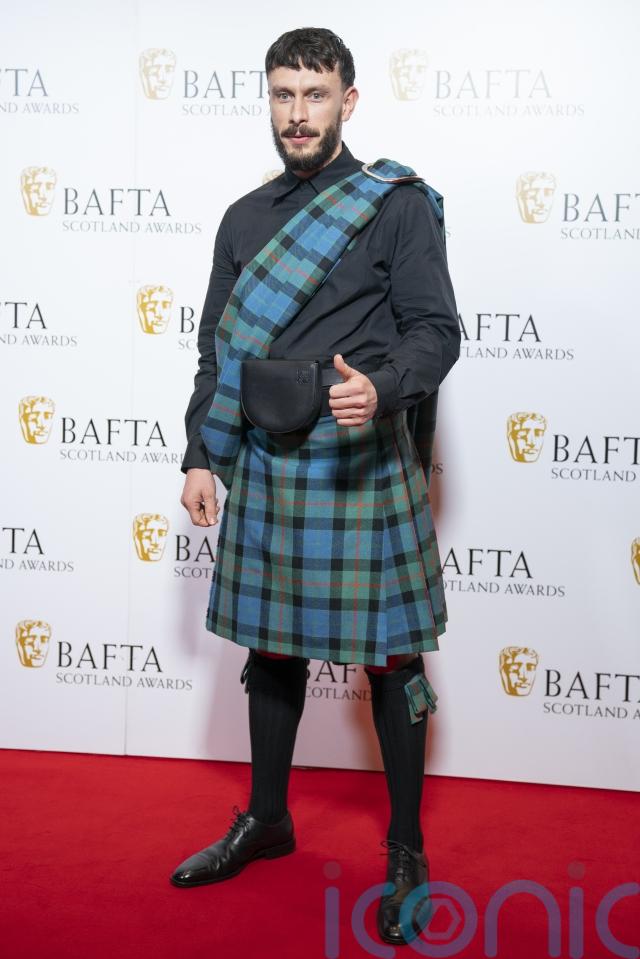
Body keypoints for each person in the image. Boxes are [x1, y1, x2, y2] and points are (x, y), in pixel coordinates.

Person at [170, 26, 460, 946]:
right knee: (271, 647)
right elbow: (216, 350)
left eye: (316, 94)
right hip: (265, 457)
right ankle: (268, 818)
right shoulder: (243, 219)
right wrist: (200, 453)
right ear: (269, 99)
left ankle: (407, 846)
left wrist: (386, 387)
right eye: (284, 94)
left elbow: (437, 330)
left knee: (393, 659)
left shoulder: (394, 207)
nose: (298, 113)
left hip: (361, 457)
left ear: (348, 101)